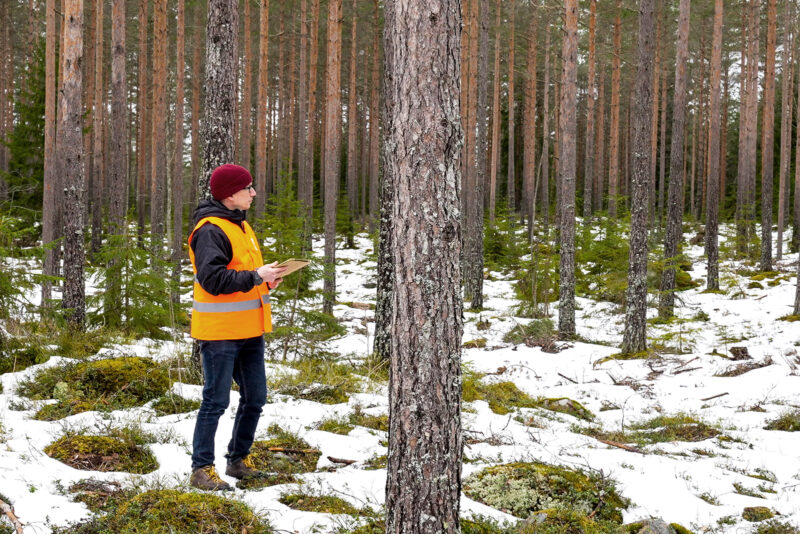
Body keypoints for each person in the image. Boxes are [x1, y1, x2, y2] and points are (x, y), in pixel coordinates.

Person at [187, 164, 287, 491]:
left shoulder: (240, 225)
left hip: (249, 329)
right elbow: (214, 281)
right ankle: (201, 469)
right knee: (215, 401)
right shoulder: (211, 230)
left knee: (255, 397)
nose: (254, 193)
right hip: (220, 332)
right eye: (248, 188)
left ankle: (237, 461)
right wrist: (257, 276)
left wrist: (266, 282)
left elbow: (244, 275)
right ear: (230, 194)